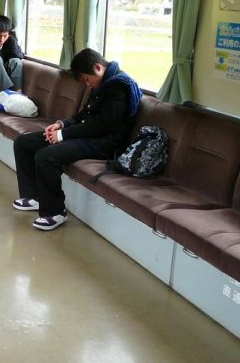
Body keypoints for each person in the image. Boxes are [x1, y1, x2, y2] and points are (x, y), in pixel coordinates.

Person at [12, 49, 142, 231]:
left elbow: (103, 125)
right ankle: (34, 196)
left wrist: (65, 135)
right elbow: (85, 114)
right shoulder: (102, 83)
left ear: (98, 67)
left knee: (46, 156)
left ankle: (55, 212)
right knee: (23, 143)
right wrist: (61, 125)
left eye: (86, 79)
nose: (87, 85)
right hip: (89, 135)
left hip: (105, 143)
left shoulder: (118, 86)